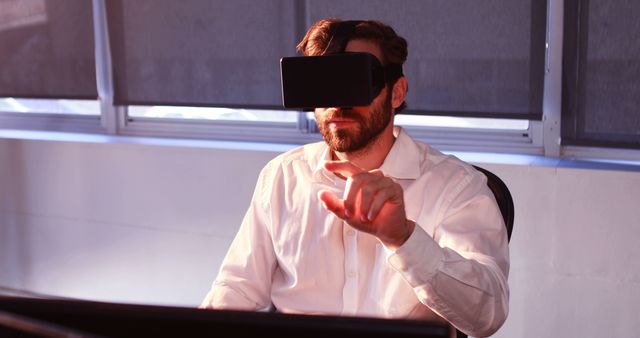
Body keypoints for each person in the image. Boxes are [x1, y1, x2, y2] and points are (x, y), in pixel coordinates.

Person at [201, 18, 509, 338]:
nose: (338, 103)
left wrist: (403, 238)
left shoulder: (456, 187)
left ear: (396, 92)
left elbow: (487, 316)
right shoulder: (282, 176)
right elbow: (236, 287)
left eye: (355, 82)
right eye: (323, 85)